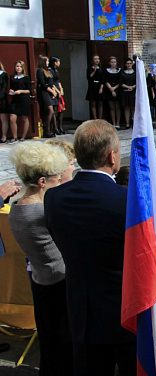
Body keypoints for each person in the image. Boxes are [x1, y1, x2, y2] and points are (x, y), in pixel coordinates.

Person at [44, 120, 135, 376]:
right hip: (125, 312)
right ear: (111, 156)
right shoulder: (127, 200)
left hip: (81, 310)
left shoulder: (54, 197)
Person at [9, 142, 72, 375]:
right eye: (57, 177)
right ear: (42, 181)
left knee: (50, 343)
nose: (60, 181)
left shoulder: (16, 207)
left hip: (40, 280)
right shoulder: (42, 211)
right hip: (59, 283)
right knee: (63, 345)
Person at [7, 60, 32, 142]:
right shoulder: (12, 77)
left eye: (20, 67)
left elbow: (29, 90)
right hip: (15, 99)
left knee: (24, 118)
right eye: (17, 66)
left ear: (23, 68)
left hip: (23, 99)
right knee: (12, 118)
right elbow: (11, 87)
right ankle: (14, 137)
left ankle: (23, 136)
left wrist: (21, 91)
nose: (18, 68)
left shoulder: (26, 78)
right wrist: (11, 90)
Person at [36, 55, 57, 138]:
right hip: (43, 92)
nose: (48, 63)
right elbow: (43, 84)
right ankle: (46, 131)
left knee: (50, 111)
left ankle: (50, 130)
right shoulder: (40, 71)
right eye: (46, 61)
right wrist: (51, 91)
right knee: (50, 110)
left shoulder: (48, 71)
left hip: (49, 92)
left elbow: (51, 82)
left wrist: (53, 91)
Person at [104, 56, 122, 128]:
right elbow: (106, 80)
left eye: (114, 62)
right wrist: (111, 89)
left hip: (118, 90)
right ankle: (113, 123)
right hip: (109, 90)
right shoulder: (106, 71)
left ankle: (118, 123)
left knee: (117, 107)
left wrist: (114, 88)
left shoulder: (119, 71)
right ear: (109, 63)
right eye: (112, 62)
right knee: (112, 107)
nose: (113, 63)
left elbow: (120, 81)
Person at [49, 57, 65, 135]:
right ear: (55, 62)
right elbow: (52, 83)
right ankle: (54, 128)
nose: (59, 63)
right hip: (54, 90)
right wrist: (58, 91)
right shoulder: (50, 71)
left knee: (61, 109)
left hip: (58, 89)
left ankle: (60, 126)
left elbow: (58, 81)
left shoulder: (56, 70)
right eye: (58, 61)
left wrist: (61, 89)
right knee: (55, 110)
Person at [119, 58, 136, 129]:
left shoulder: (135, 72)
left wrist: (132, 87)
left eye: (130, 63)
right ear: (125, 64)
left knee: (133, 107)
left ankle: (134, 122)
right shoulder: (122, 73)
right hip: (125, 92)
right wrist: (128, 87)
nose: (129, 65)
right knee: (126, 107)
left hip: (133, 91)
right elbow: (121, 83)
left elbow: (137, 82)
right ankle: (127, 123)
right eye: (127, 63)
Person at [86, 54, 104, 120]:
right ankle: (95, 119)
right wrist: (94, 71)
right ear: (93, 60)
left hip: (99, 86)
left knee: (100, 103)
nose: (97, 60)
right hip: (92, 87)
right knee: (93, 103)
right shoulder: (89, 68)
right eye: (95, 59)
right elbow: (89, 77)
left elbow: (103, 79)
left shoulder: (101, 69)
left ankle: (100, 119)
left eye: (98, 59)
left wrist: (101, 88)